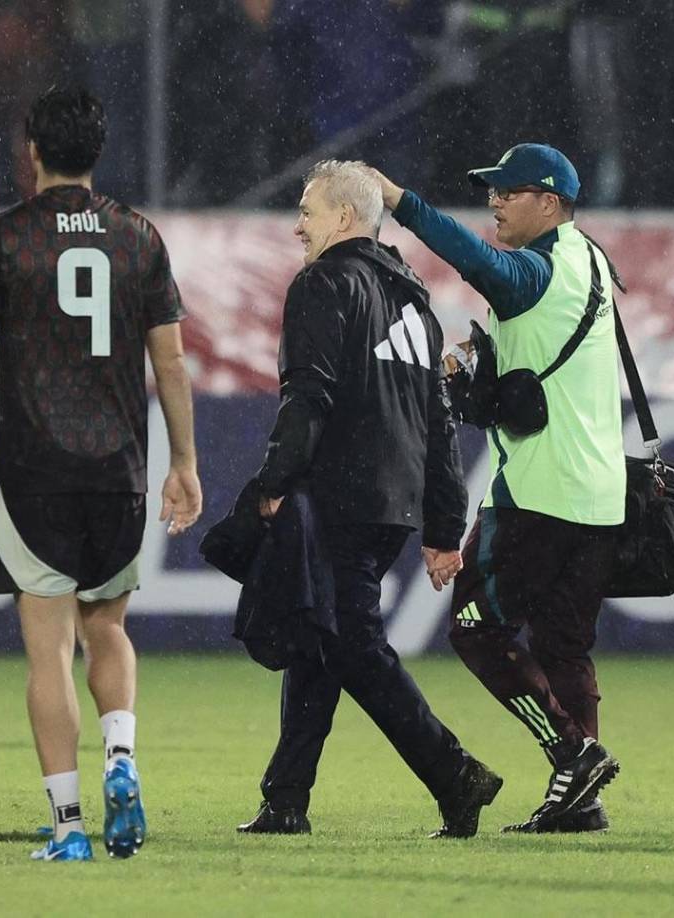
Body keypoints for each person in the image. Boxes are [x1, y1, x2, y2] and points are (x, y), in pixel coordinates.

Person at [0, 87, 202, 863]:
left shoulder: (3, 238)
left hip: (36, 470)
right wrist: (183, 462)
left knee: (48, 651)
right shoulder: (137, 237)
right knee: (108, 628)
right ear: (97, 153)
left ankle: (69, 828)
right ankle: (122, 756)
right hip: (118, 466)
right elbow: (172, 360)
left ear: (33, 152)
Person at [235, 159, 502, 840]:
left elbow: (309, 395)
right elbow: (437, 420)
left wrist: (272, 481)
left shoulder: (323, 284)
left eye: (308, 212)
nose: (298, 227)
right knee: (317, 639)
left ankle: (454, 773)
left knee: (351, 645)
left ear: (345, 218)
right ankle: (286, 799)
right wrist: (443, 520)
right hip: (393, 502)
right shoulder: (412, 299)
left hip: (340, 499)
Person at [374, 143, 625, 834]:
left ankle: (572, 752)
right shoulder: (591, 261)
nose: (494, 201)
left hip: (542, 490)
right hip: (600, 492)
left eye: (509, 191)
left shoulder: (534, 270)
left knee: (474, 629)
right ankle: (582, 802)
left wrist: (401, 202)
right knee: (564, 647)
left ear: (548, 203)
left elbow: (478, 263)